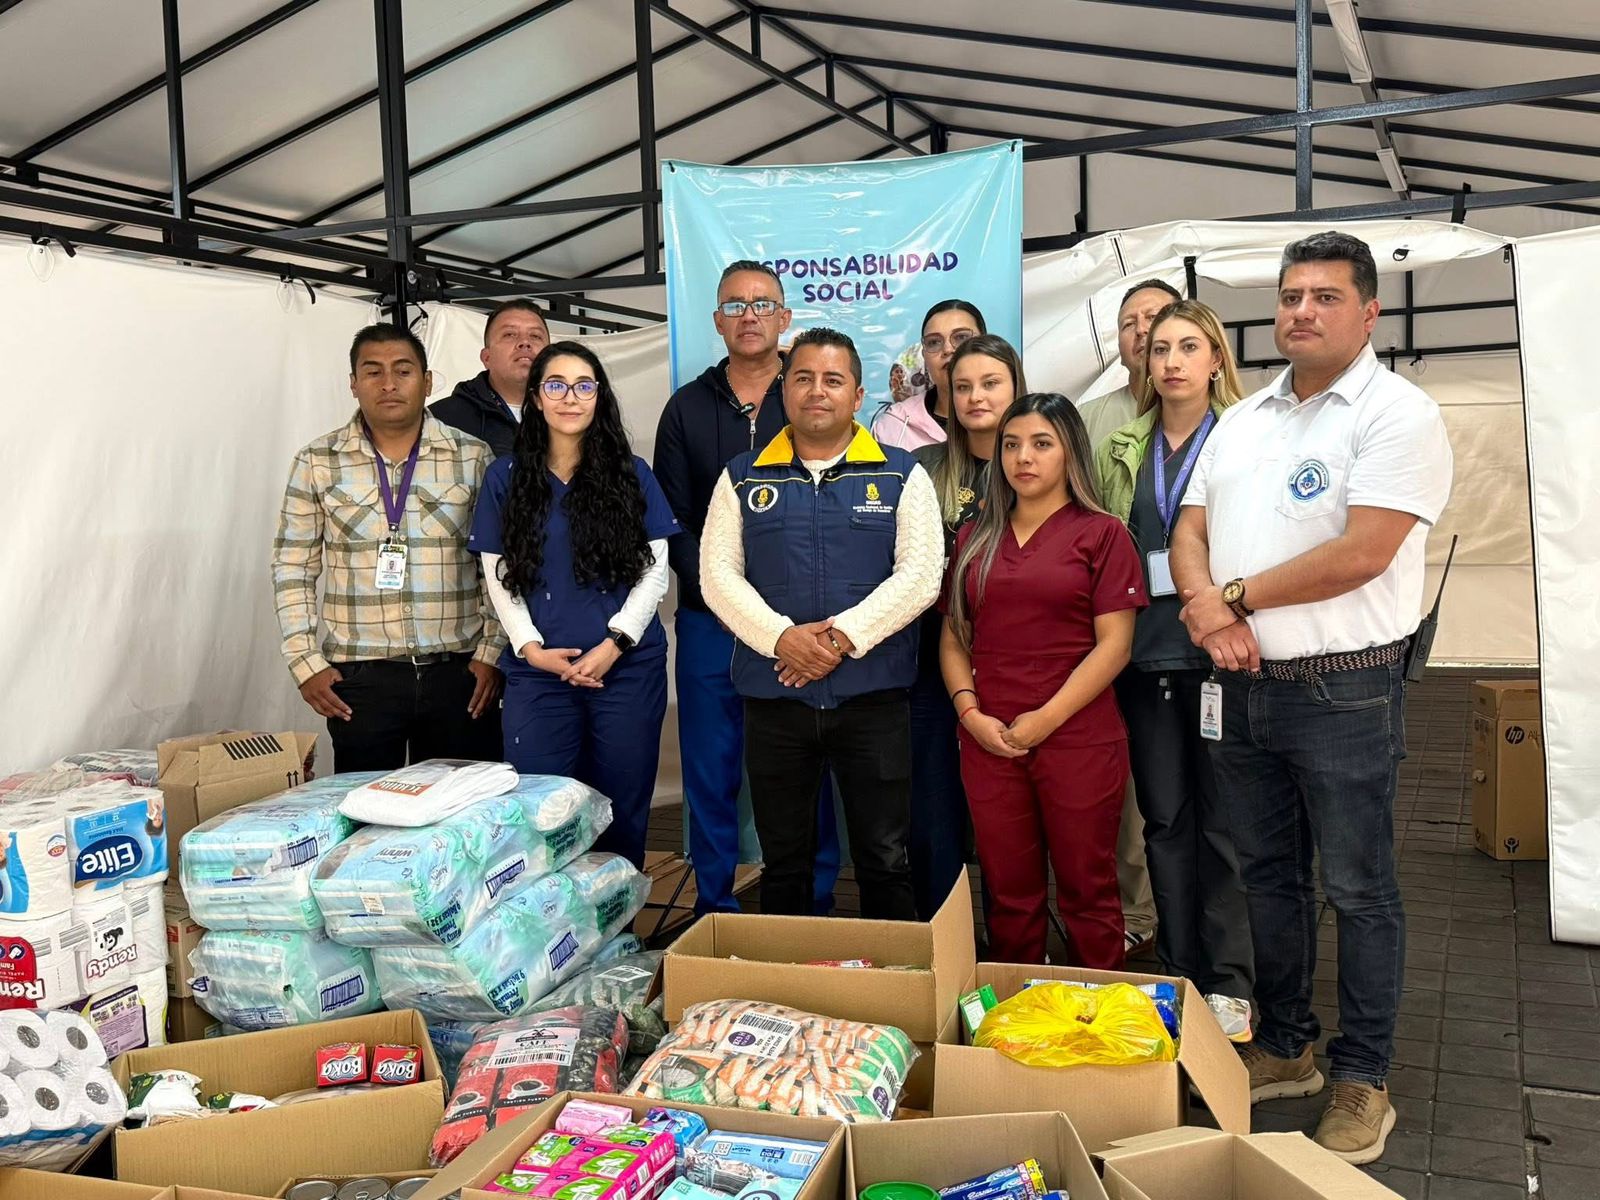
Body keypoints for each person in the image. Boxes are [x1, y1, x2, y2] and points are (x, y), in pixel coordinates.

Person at [1171, 231, 1453, 1164]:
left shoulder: (1397, 414)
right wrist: (1208, 613)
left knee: (1361, 888)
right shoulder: (1245, 418)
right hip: (1241, 683)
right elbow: (1189, 526)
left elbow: (1364, 551)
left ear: (1369, 313)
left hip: (1345, 689)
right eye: (1291, 295)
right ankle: (1288, 1045)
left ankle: (1363, 1077)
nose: (1302, 311)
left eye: (1326, 297)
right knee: (1269, 879)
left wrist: (1233, 597)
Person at [701, 327, 943, 919]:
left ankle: (895, 973)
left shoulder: (902, 474)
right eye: (803, 378)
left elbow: (920, 576)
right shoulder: (741, 477)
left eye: (833, 380)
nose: (817, 391)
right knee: (785, 861)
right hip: (775, 700)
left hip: (873, 699)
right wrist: (781, 639)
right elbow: (717, 576)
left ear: (857, 396)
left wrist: (838, 639)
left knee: (885, 857)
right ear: (784, 390)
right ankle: (791, 976)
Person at [652, 260, 843, 914]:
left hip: (801, 630)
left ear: (784, 317)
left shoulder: (813, 397)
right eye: (735, 305)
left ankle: (814, 908)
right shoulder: (687, 408)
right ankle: (716, 909)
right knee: (711, 772)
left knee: (807, 769)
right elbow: (671, 523)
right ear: (717, 321)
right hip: (713, 622)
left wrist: (789, 622)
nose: (750, 315)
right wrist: (730, 603)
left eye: (762, 303)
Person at [1094, 299, 1254, 1038]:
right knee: (1163, 820)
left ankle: (1231, 982)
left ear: (1216, 358)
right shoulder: (1123, 446)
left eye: (1189, 346)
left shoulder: (1246, 438)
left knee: (1224, 824)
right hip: (1144, 655)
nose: (1172, 361)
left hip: (1223, 654)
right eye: (1160, 349)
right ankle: (1180, 967)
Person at [942, 393, 1146, 967]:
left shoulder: (1103, 534)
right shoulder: (975, 537)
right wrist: (970, 714)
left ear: (1070, 452)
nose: (1022, 457)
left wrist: (1045, 720)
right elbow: (954, 638)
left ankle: (1099, 1011)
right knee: (1008, 895)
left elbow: (1116, 646)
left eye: (1040, 444)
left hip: (1078, 738)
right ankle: (1016, 1012)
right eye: (1011, 445)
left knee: (1088, 891)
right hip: (989, 739)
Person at [470, 341, 679, 869]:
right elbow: (498, 574)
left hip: (625, 668)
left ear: (598, 396)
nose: (570, 397)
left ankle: (616, 908)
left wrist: (615, 644)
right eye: (556, 385)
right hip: (539, 672)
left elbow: (655, 570)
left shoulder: (631, 474)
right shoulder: (505, 478)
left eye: (584, 386)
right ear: (536, 398)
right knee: (540, 809)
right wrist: (529, 648)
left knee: (621, 805)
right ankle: (552, 918)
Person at [273, 323, 505, 772]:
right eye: (373, 371)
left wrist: (491, 653)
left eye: (403, 370)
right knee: (365, 807)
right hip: (361, 678)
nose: (388, 383)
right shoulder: (317, 461)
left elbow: (495, 566)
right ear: (353, 383)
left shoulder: (473, 458)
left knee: (458, 808)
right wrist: (305, 662)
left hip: (459, 675)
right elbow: (292, 567)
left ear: (428, 381)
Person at [1082, 278, 1183, 960]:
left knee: (1185, 782)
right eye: (1129, 322)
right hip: (1110, 626)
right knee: (1119, 788)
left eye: (1156, 317)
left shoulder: (1222, 419)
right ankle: (1136, 910)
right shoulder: (1090, 418)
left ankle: (1192, 914)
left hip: (1191, 630)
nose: (1142, 331)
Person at [908, 334, 1026, 921]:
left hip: (1022, 657)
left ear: (1017, 387)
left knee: (1014, 815)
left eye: (990, 383)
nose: (976, 397)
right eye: (962, 387)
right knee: (934, 807)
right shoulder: (923, 469)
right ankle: (944, 936)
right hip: (934, 657)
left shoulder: (1039, 464)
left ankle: (1015, 942)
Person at [431, 300, 551, 459]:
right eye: (509, 334)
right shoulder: (441, 420)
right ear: (487, 357)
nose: (525, 342)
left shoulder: (572, 414)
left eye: (535, 336)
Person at [872, 300, 987, 451]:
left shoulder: (1012, 417)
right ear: (924, 356)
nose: (948, 349)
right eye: (934, 342)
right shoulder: (892, 427)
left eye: (961, 337)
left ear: (987, 345)